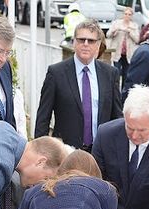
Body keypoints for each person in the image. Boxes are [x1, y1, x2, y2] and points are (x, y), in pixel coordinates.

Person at [34, 19, 122, 152]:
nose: (85, 44)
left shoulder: (110, 74)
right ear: (74, 42)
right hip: (66, 152)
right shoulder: (56, 73)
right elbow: (43, 118)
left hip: (101, 153)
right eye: (81, 40)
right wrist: (40, 153)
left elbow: (117, 118)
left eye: (91, 41)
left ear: (98, 45)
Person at [106, 7, 140, 86]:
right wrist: (115, 30)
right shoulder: (116, 23)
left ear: (132, 16)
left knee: (126, 74)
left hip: (128, 54)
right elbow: (108, 35)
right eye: (126, 14)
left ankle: (123, 93)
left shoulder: (134, 25)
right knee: (116, 73)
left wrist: (130, 32)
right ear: (123, 14)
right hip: (117, 53)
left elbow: (137, 39)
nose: (127, 16)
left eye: (129, 14)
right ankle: (115, 92)